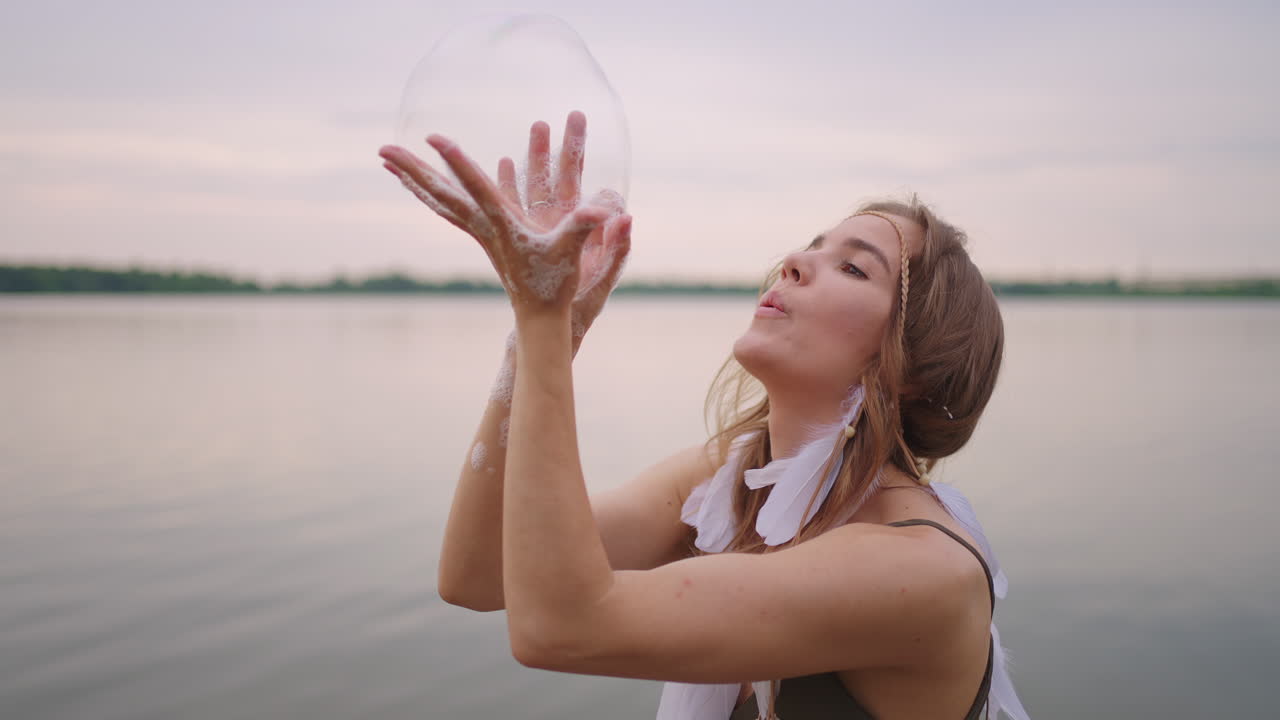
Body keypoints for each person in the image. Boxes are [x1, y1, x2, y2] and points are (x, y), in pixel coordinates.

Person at [378, 112, 1032, 720]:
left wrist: (542, 314)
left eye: (853, 267)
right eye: (810, 247)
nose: (794, 263)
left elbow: (559, 626)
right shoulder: (729, 478)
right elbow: (478, 574)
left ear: (912, 366)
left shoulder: (923, 570)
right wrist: (541, 343)